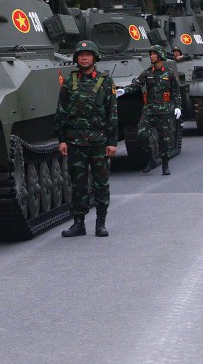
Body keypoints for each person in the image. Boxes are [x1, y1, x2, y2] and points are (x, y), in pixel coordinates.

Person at [55, 40, 118, 238]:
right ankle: (78, 223)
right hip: (75, 142)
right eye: (81, 55)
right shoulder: (69, 81)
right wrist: (62, 139)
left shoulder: (105, 81)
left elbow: (112, 113)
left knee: (101, 184)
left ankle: (101, 223)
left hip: (99, 141)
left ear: (94, 57)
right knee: (78, 185)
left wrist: (112, 142)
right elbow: (61, 112)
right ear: (76, 58)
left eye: (88, 54)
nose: (84, 58)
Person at [122, 45, 181, 175]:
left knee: (165, 139)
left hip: (164, 110)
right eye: (151, 54)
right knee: (142, 135)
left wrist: (177, 107)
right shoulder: (147, 73)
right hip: (149, 110)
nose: (151, 56)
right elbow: (136, 85)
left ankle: (165, 164)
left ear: (160, 56)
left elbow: (176, 92)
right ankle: (149, 158)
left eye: (154, 54)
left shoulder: (170, 74)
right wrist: (124, 90)